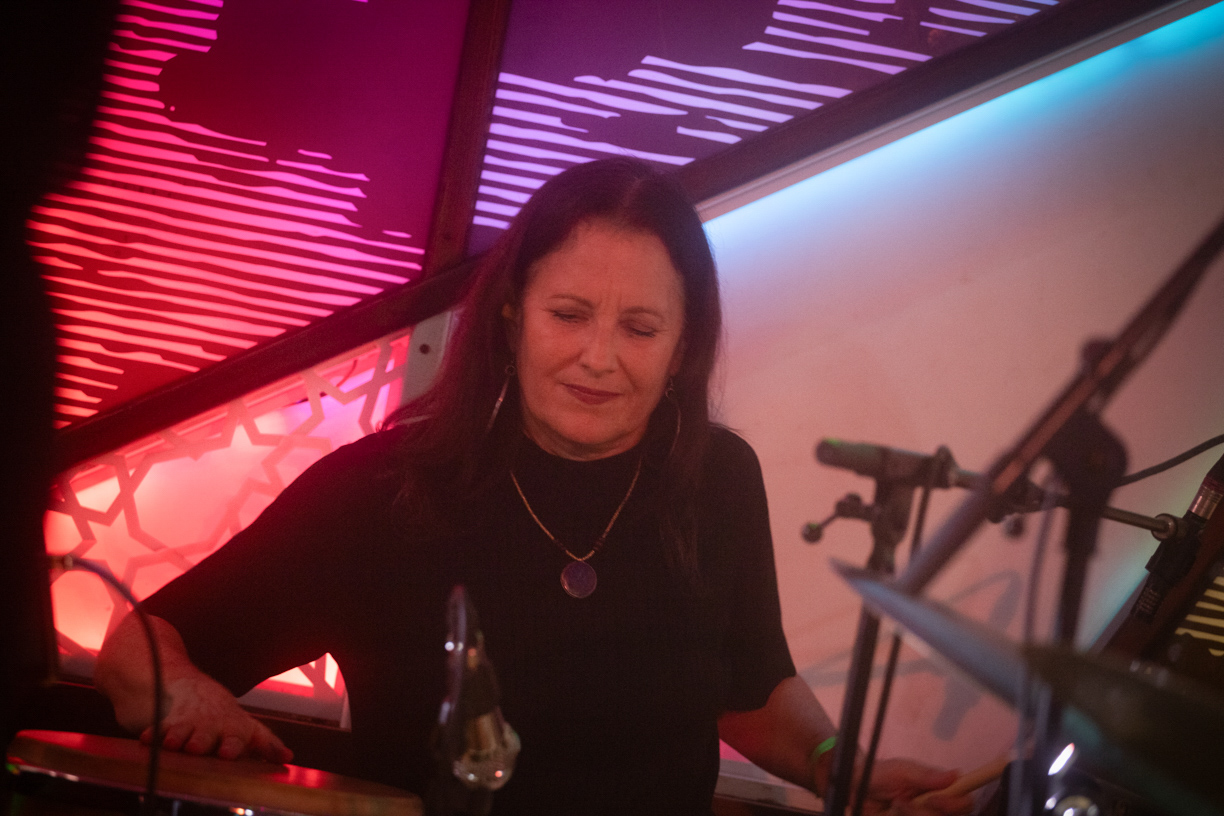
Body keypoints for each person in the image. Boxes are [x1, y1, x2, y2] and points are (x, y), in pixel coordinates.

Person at [96, 158, 972, 815]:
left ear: (683, 346)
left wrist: (832, 764)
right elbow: (140, 644)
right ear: (513, 312)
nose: (599, 357)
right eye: (569, 315)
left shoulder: (716, 479)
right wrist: (185, 697)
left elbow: (749, 687)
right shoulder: (384, 491)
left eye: (640, 328)